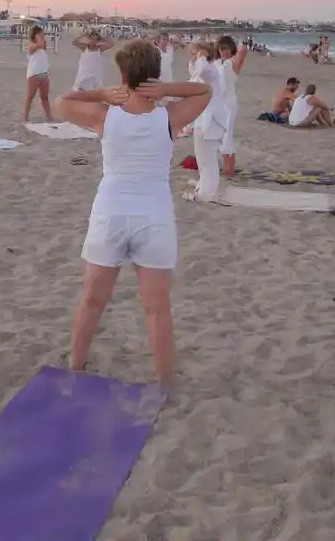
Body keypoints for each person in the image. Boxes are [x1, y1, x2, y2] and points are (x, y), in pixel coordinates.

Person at [53, 39, 211, 386]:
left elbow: (61, 101)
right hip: (154, 217)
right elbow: (204, 92)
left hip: (111, 212)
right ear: (154, 75)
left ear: (122, 75)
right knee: (156, 308)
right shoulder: (168, 117)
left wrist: (103, 95)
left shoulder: (105, 116)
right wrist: (167, 89)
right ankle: (165, 382)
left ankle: (76, 366)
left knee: (93, 300)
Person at [186, 41, 229, 201]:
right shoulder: (209, 71)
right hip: (205, 119)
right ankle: (204, 187)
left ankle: (206, 193)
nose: (194, 57)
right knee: (202, 158)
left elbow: (201, 70)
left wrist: (201, 56)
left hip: (211, 120)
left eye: (195, 54)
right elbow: (194, 78)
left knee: (207, 160)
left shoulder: (210, 70)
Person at [215, 36, 247, 177]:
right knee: (220, 136)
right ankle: (226, 167)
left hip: (229, 103)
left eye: (227, 49)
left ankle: (229, 170)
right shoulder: (217, 62)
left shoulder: (233, 62)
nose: (225, 52)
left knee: (227, 135)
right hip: (218, 102)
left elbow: (243, 51)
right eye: (222, 49)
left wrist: (240, 42)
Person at [23, 24, 52, 122]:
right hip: (34, 74)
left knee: (45, 97)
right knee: (30, 97)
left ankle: (49, 116)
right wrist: (38, 38)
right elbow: (38, 45)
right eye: (41, 33)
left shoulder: (42, 43)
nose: (43, 35)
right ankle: (25, 117)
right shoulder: (31, 45)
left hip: (44, 73)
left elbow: (43, 46)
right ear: (35, 35)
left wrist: (42, 38)